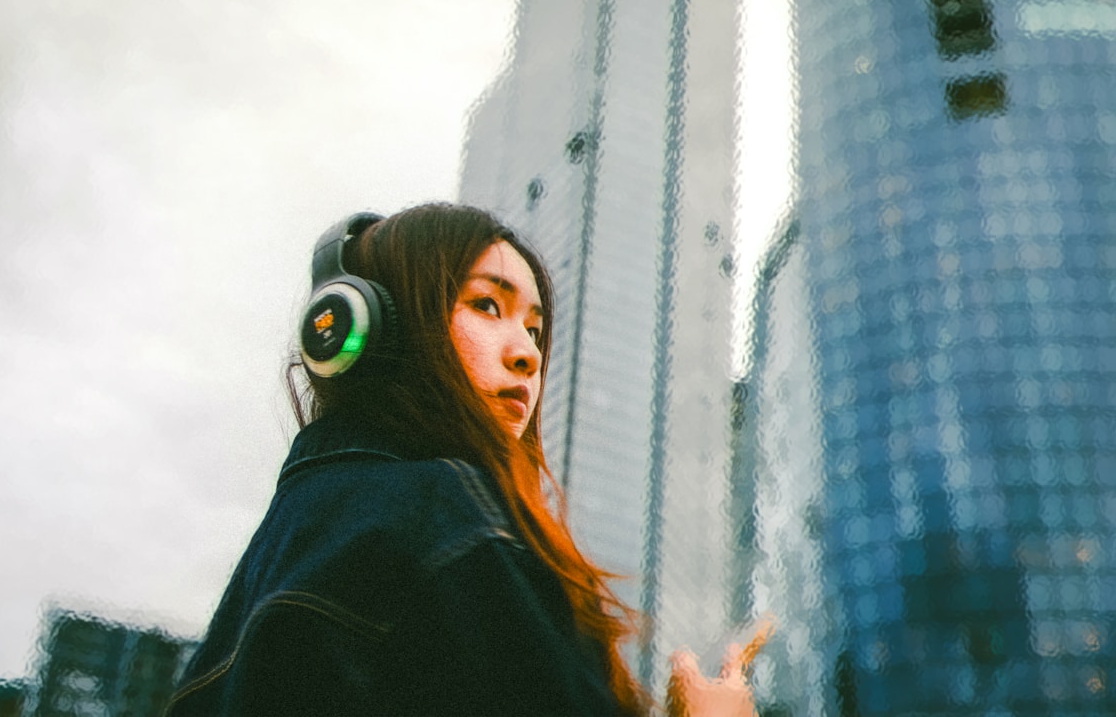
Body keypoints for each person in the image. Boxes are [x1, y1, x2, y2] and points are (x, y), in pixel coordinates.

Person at [165, 203, 755, 716]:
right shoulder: (446, 521)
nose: (527, 353)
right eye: (486, 306)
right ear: (377, 325)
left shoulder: (272, 560)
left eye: (534, 328)